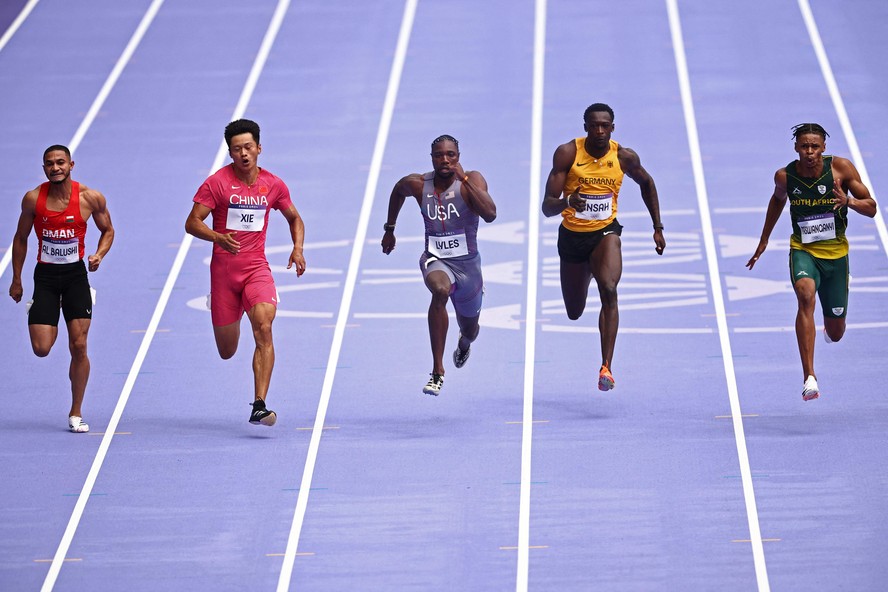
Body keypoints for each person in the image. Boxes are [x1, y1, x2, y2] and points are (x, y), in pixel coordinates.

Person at [185, 119, 306, 426]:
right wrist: (217, 237)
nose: (243, 154)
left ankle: (259, 404)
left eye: (248, 147)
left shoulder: (273, 185)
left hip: (256, 268)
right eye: (237, 149)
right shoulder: (217, 183)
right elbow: (192, 222)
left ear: (259, 148)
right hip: (224, 275)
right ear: (230, 153)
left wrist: (298, 248)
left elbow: (295, 218)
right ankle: (230, 306)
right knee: (227, 350)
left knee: (264, 326)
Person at [746, 123, 876, 401]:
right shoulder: (784, 176)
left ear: (823, 148)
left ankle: (834, 315)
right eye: (804, 146)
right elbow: (777, 200)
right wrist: (764, 238)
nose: (809, 152)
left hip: (836, 254)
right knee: (805, 296)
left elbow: (872, 208)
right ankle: (809, 377)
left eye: (814, 146)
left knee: (836, 332)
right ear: (796, 148)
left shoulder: (841, 169)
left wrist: (849, 202)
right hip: (803, 249)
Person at [541, 103, 665, 391]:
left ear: (612, 127)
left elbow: (647, 183)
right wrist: (567, 202)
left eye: (604, 125)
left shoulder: (623, 156)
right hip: (572, 237)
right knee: (574, 310)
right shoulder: (568, 153)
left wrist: (657, 227)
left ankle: (606, 367)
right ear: (585, 127)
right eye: (593, 125)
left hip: (605, 232)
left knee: (609, 289)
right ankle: (585, 270)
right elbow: (547, 207)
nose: (599, 130)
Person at [9, 145, 115, 433]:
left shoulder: (89, 198)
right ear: (43, 168)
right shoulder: (33, 199)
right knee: (42, 348)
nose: (55, 168)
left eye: (60, 163)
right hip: (44, 277)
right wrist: (17, 279)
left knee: (79, 345)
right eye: (49, 164)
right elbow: (21, 238)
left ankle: (76, 412)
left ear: (71, 165)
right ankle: (49, 308)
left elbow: (108, 230)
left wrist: (99, 255)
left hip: (75, 278)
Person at [381, 135, 497, 396]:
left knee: (471, 330)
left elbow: (490, 213)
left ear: (458, 156)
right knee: (440, 290)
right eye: (439, 155)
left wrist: (464, 179)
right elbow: (398, 190)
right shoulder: (418, 184)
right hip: (436, 258)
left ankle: (464, 343)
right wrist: (390, 229)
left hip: (468, 267)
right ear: (431, 158)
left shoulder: (472, 180)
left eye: (451, 155)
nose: (445, 160)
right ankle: (437, 371)